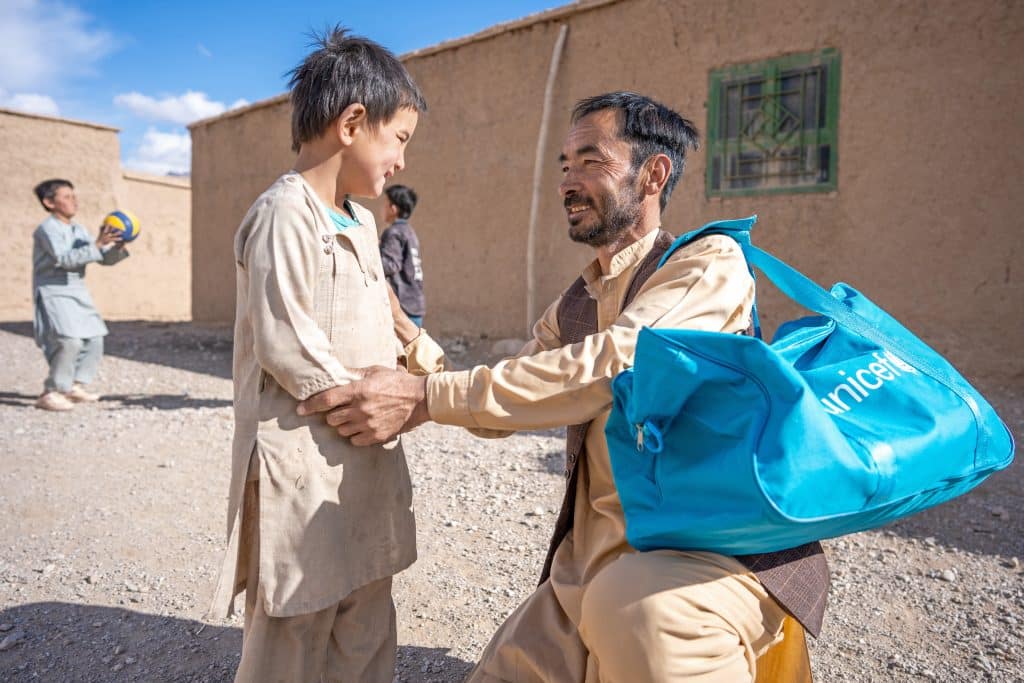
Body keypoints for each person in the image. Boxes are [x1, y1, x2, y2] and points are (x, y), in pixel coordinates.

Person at [298, 91, 830, 682]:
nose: (568, 182)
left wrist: (423, 398)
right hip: (589, 573)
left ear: (653, 174)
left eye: (591, 161)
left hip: (705, 561)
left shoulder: (710, 263)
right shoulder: (579, 300)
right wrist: (410, 346)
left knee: (639, 614)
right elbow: (501, 402)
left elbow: (620, 363)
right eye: (565, 166)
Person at [206, 27, 445, 683]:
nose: (400, 161)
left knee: (367, 601)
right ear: (353, 123)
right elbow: (286, 343)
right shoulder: (285, 212)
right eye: (399, 140)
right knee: (297, 616)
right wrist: (373, 404)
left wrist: (418, 350)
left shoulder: (362, 221)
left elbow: (382, 303)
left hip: (365, 455)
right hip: (305, 456)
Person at [31, 179, 128, 412]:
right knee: (69, 340)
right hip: (54, 290)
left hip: (77, 290)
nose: (74, 200)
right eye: (66, 196)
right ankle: (52, 391)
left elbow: (101, 258)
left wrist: (116, 247)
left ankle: (75, 385)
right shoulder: (47, 229)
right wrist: (97, 244)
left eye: (73, 195)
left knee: (95, 338)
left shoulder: (79, 230)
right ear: (49, 202)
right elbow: (64, 259)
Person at [380, 184, 426, 326]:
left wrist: (368, 255)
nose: (382, 209)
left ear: (393, 209)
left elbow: (391, 264)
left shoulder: (394, 232)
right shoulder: (409, 232)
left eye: (385, 204)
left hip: (403, 306)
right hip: (415, 304)